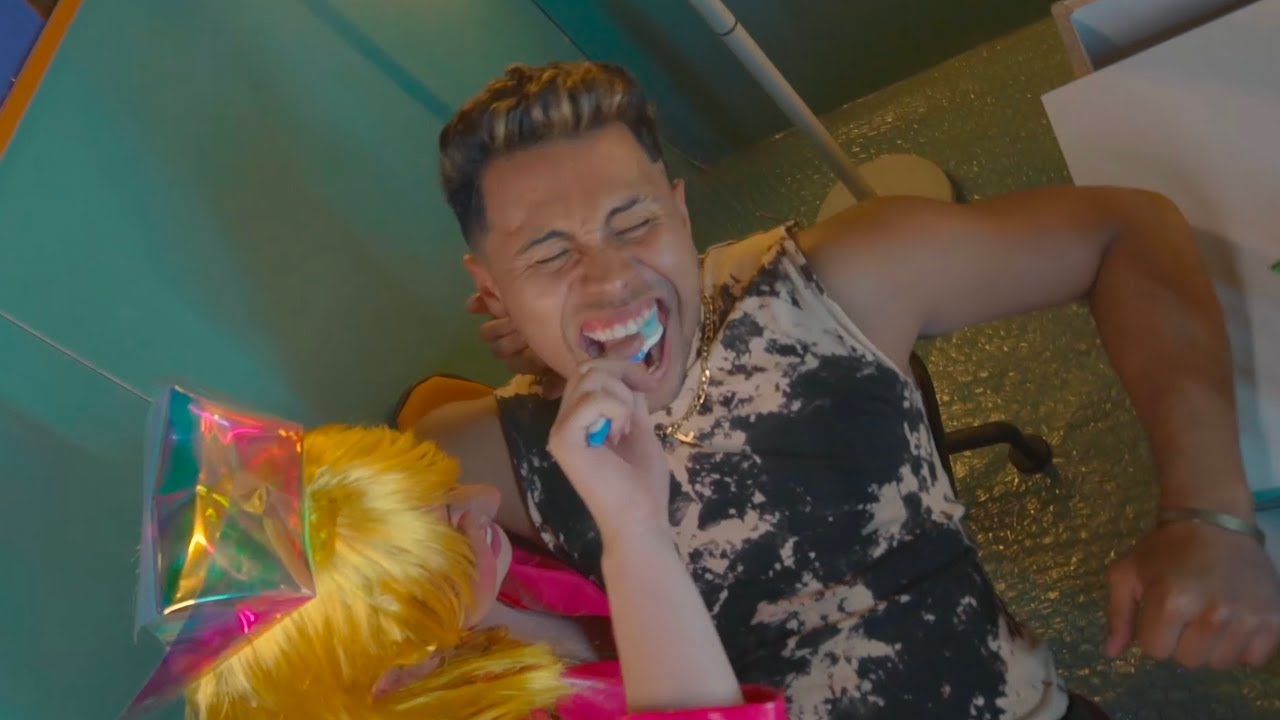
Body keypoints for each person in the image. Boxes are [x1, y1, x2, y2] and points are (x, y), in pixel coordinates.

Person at [418, 60, 1280, 719]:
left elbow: (1125, 230)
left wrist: (1210, 512)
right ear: (490, 291)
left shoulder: (829, 286)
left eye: (635, 222)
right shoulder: (500, 452)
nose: (610, 279)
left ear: (681, 211)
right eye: (550, 254)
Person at [129, 391, 785, 719]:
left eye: (443, 488)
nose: (485, 498)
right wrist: (639, 533)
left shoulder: (484, 588)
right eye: (452, 525)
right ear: (399, 670)